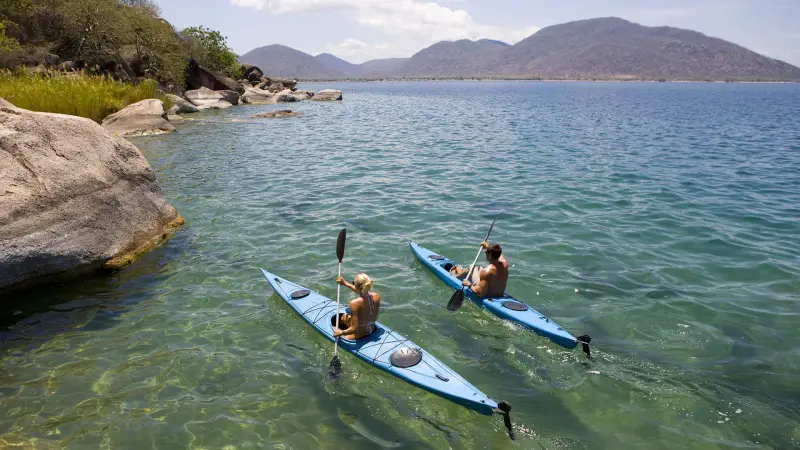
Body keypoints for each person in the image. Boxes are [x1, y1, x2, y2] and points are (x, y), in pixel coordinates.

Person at [333, 273, 381, 340]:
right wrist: (345, 283)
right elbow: (361, 291)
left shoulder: (354, 303)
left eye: (353, 283)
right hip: (372, 330)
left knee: (339, 326)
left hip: (359, 335)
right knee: (344, 318)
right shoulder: (376, 296)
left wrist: (341, 332)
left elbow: (354, 329)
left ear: (356, 286)